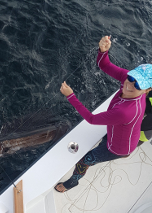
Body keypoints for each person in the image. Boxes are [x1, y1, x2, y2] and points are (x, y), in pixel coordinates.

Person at [55, 35, 152, 192]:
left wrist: (71, 96)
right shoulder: (128, 79)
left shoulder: (126, 111)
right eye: (133, 77)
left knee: (84, 160)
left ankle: (72, 183)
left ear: (147, 90)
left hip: (119, 148)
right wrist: (103, 50)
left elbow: (92, 119)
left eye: (139, 84)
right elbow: (104, 65)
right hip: (120, 132)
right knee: (106, 138)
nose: (130, 83)